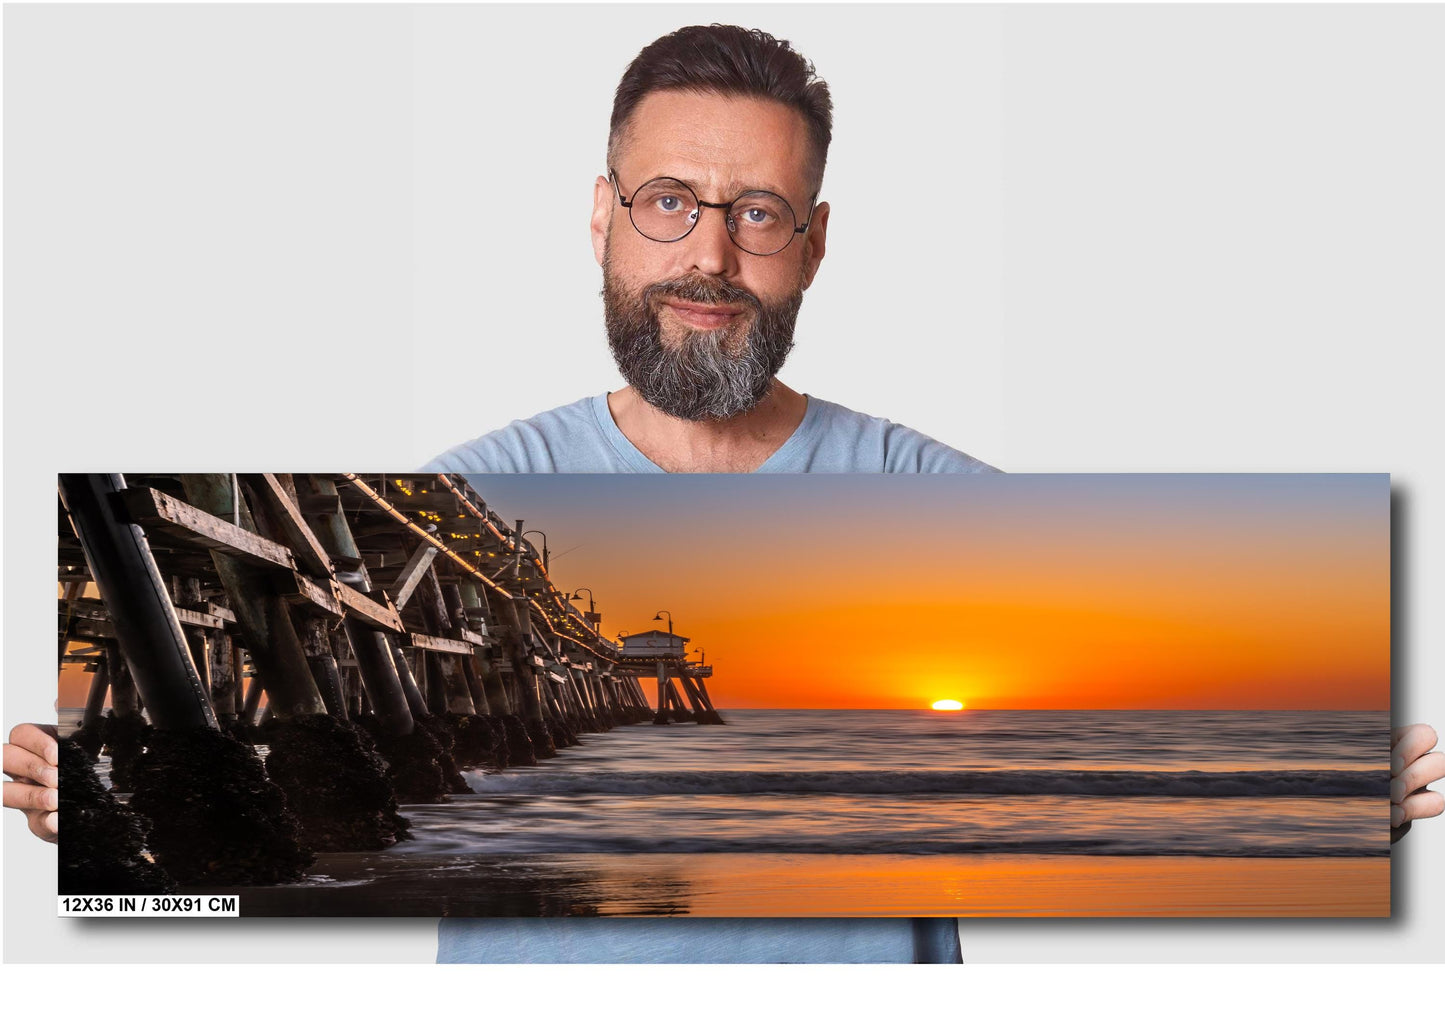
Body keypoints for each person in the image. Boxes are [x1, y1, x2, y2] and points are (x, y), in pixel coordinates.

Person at [9, 23, 1444, 964]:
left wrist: (1329, 790)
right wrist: (96, 775)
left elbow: (1158, 687)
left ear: (811, 244)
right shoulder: (467, 486)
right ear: (601, 214)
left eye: (756, 213)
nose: (709, 253)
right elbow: (232, 818)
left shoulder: (931, 495)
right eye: (668, 201)